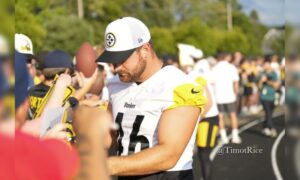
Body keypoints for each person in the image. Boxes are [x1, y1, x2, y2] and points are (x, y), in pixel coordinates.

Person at [96, 17, 207, 179]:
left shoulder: (178, 85)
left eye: (121, 59)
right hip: (124, 174)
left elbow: (168, 155)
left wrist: (105, 165)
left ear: (145, 50)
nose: (116, 67)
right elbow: (110, 135)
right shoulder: (114, 84)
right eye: (112, 61)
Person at [211, 52, 242, 144]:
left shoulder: (214, 68)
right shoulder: (231, 67)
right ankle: (235, 136)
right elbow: (236, 82)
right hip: (230, 96)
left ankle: (224, 137)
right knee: (233, 115)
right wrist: (236, 94)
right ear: (226, 58)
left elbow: (211, 82)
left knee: (220, 117)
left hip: (218, 96)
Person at [258, 59, 280, 137]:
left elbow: (276, 86)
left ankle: (265, 127)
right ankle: (272, 128)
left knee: (269, 114)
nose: (265, 66)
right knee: (268, 113)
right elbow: (259, 87)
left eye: (266, 64)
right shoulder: (261, 74)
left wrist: (267, 81)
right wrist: (261, 81)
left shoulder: (274, 74)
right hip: (264, 97)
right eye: (264, 65)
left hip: (272, 97)